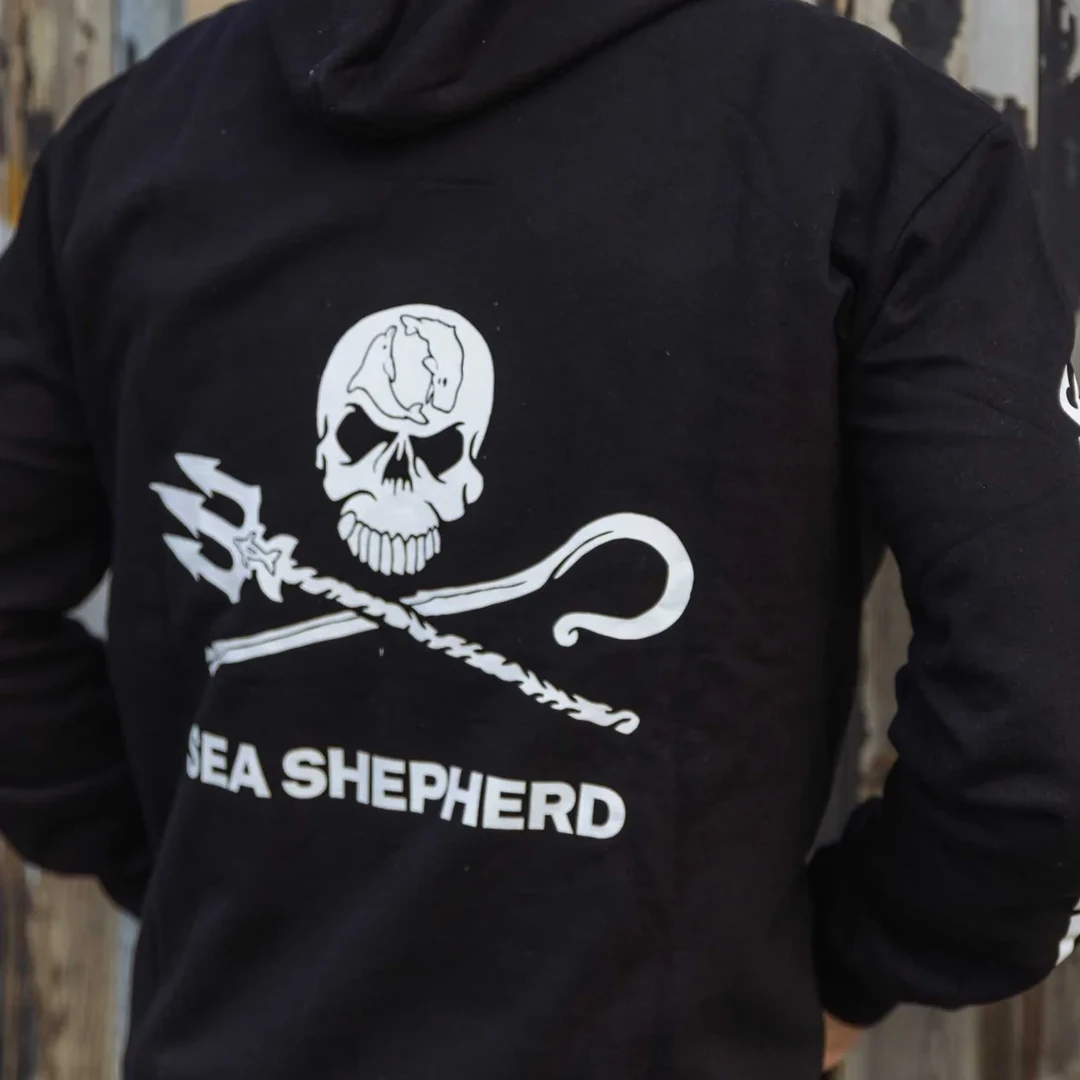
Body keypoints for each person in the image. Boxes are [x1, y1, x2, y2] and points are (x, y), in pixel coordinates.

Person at [1, 0, 1079, 1076]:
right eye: (365, 440)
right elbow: (1043, 715)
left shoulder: (128, 144)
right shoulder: (872, 141)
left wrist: (185, 870)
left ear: (463, 463)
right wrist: (849, 969)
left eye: (433, 452)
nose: (397, 476)